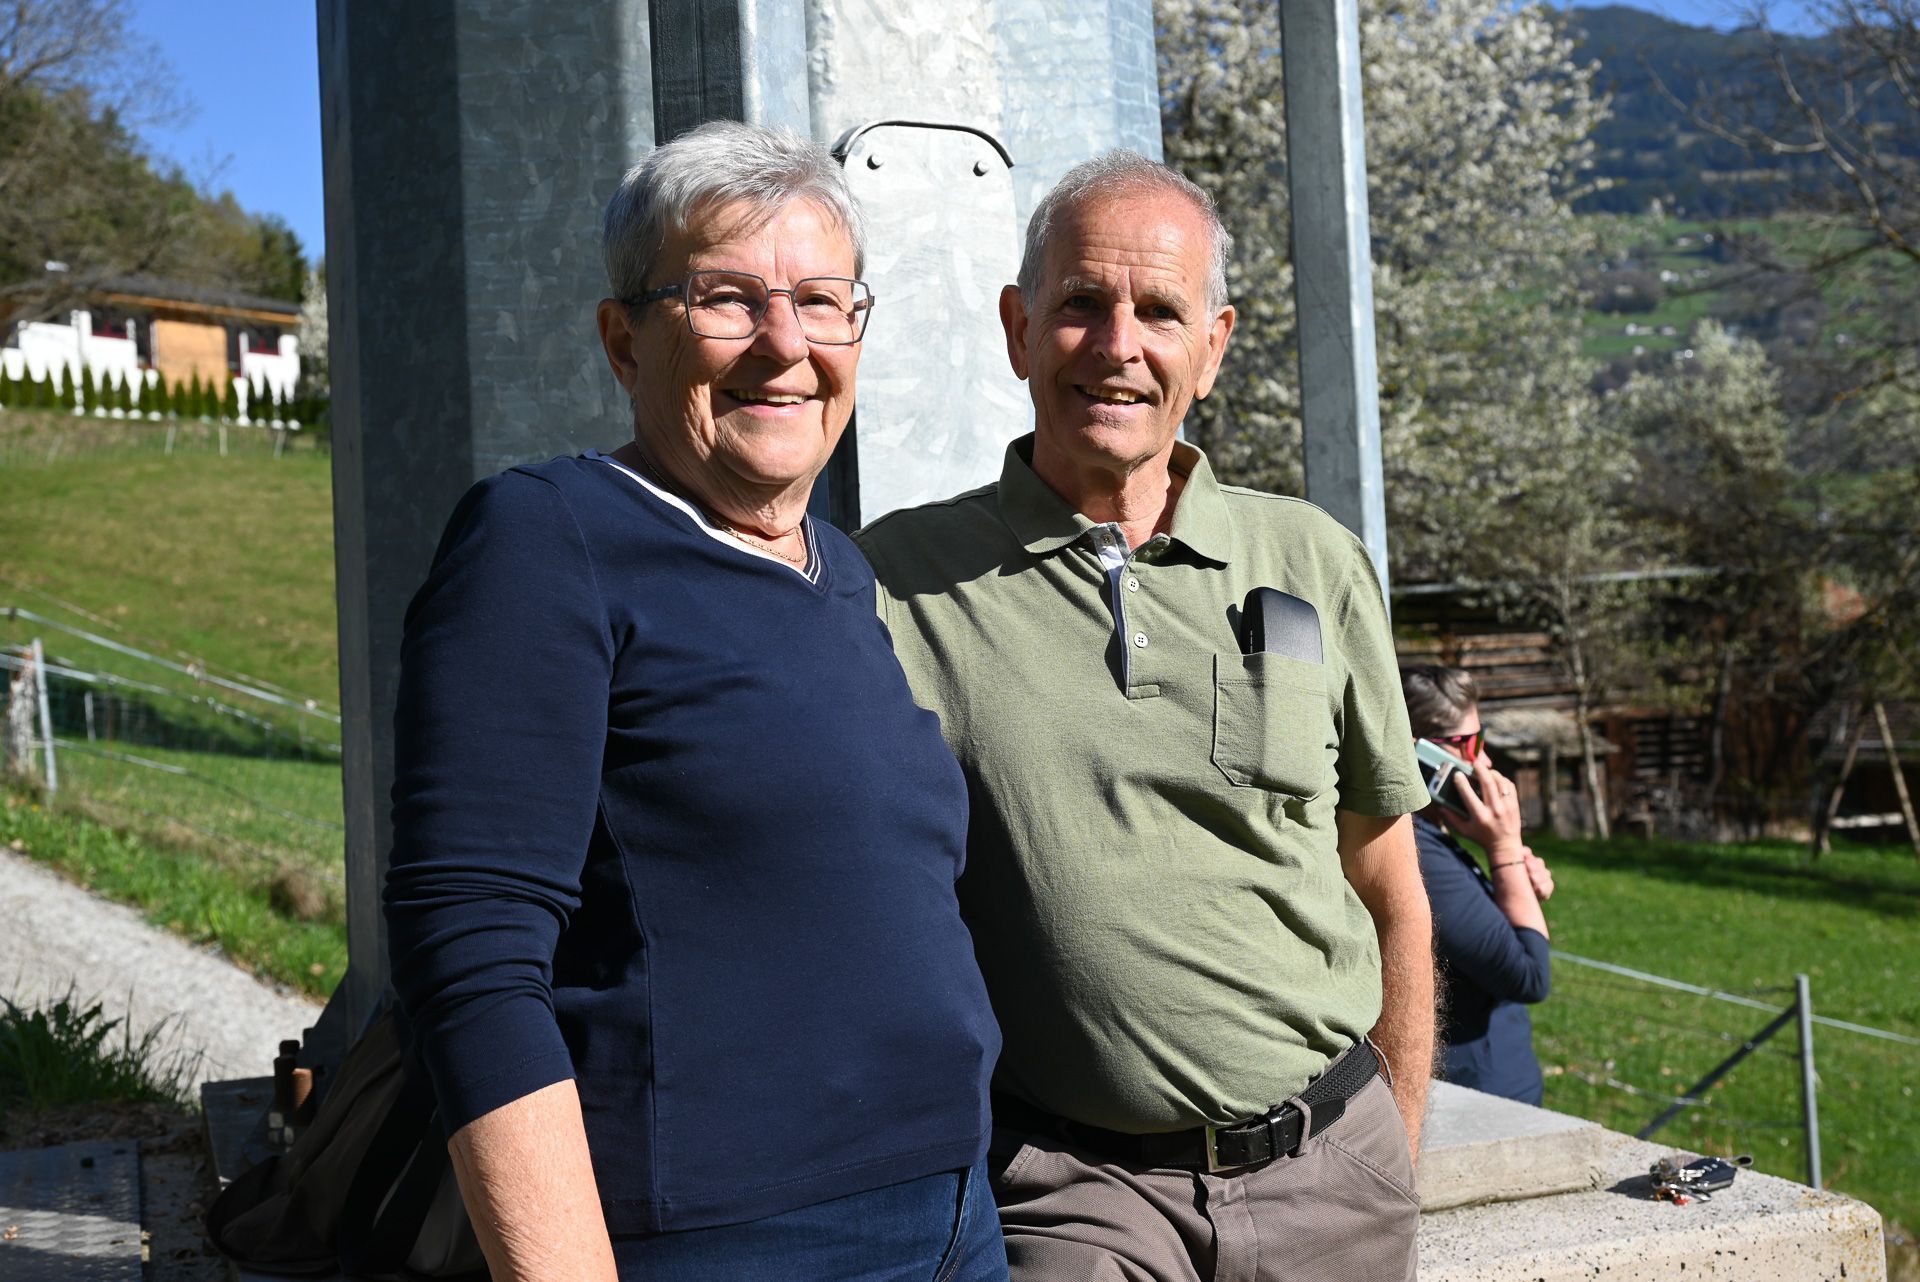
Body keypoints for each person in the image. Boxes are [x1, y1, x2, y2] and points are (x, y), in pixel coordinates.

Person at [383, 121, 1005, 1282]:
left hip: (956, 1212)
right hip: (732, 1239)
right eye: (727, 297)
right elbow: (466, 951)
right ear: (624, 341)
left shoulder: (839, 569)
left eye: (822, 301)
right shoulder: (549, 535)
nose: (786, 344)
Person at [855, 151, 1433, 1281]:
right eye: (1082, 305)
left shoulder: (1312, 560)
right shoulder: (896, 580)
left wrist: (1394, 1156)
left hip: (1335, 1173)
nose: (1118, 344)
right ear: (1021, 329)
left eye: (1159, 311)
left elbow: (1389, 889)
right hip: (1075, 1191)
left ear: (1211, 348)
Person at [1402, 663, 1554, 1105]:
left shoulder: (1432, 837)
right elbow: (1530, 976)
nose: (1484, 760)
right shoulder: (1415, 848)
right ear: (1421, 753)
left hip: (1486, 1093)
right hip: (1476, 1103)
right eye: (1470, 744)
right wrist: (1504, 850)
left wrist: (1514, 883)